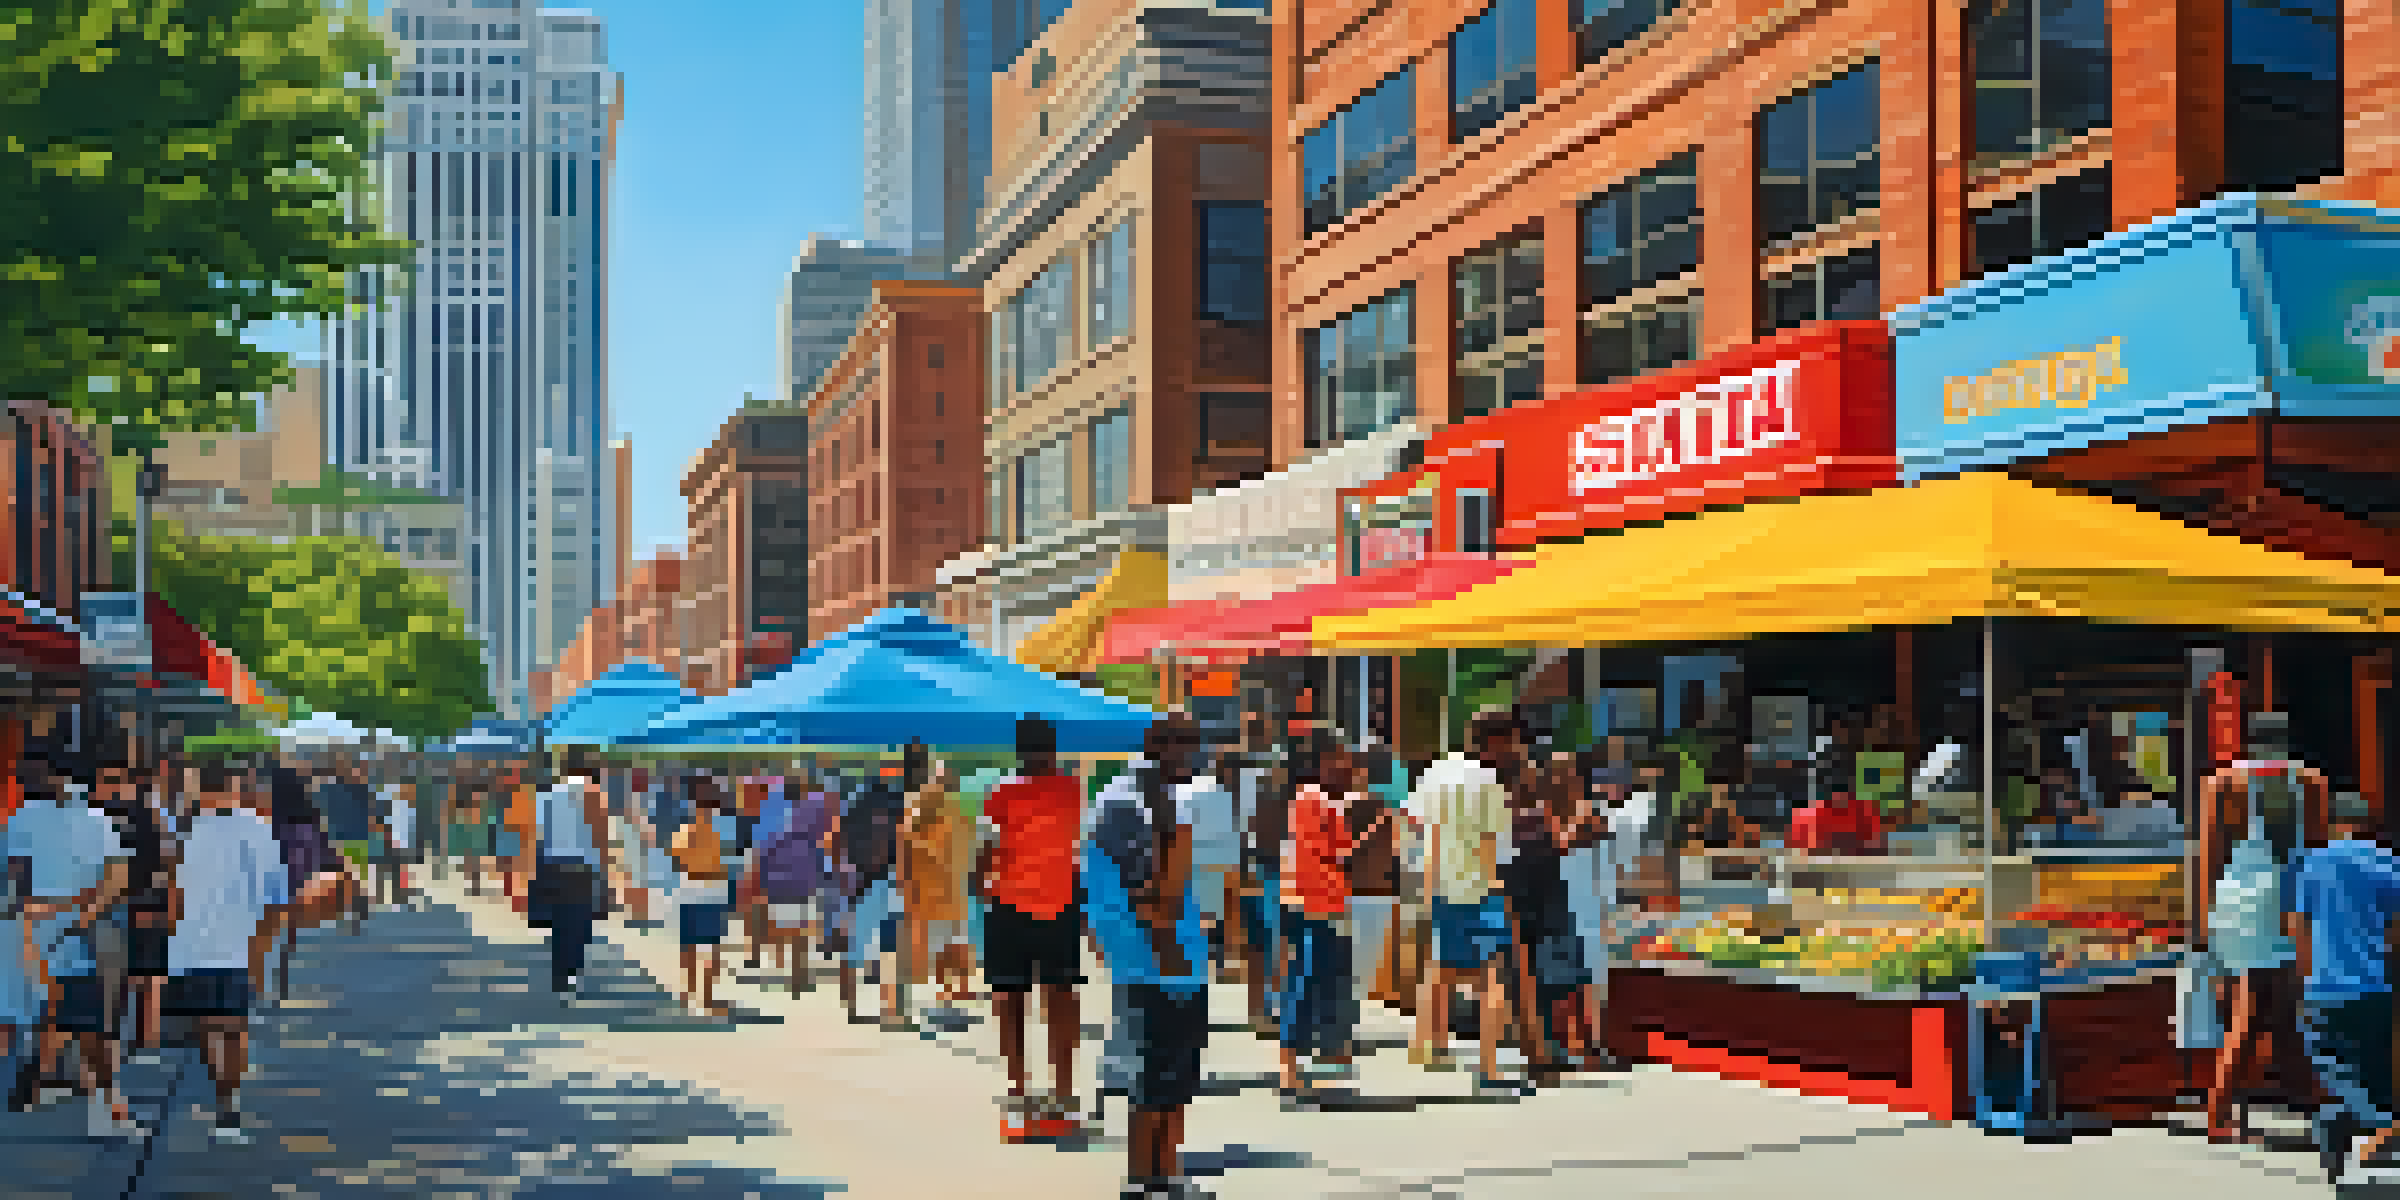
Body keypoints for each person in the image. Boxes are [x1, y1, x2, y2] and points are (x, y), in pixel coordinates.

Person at [1083, 713, 1210, 1197]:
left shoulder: (1155, 799)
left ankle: (1165, 1173)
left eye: (1194, 741)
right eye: (1184, 742)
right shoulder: (1135, 804)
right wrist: (1170, 951)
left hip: (1163, 959)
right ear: (1157, 745)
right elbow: (1152, 898)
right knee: (1156, 1077)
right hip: (1156, 961)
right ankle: (1147, 1178)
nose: (1193, 752)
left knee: (1171, 1078)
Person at [2195, 711, 2325, 1144]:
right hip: (2290, 900)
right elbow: (2317, 850)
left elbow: (2210, 858)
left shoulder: (2223, 785)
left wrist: (2203, 925)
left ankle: (2219, 1111)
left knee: (2248, 1008)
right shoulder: (2310, 783)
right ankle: (2315, 1105)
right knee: (2290, 1005)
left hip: (2242, 904)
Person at [6, 753, 136, 1136]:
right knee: (91, 1017)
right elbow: (118, 876)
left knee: (48, 1006)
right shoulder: (97, 821)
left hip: (39, 931)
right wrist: (88, 909)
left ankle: (40, 1074)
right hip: (81, 934)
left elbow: (14, 879)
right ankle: (101, 1097)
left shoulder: (22, 820)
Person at [167, 761, 292, 1145]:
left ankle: (226, 1099)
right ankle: (227, 1098)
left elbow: (174, 892)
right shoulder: (248, 829)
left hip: (203, 947)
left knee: (211, 1026)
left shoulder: (191, 830)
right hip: (231, 945)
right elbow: (277, 898)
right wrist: (267, 954)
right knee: (229, 1028)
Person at [978, 715, 1088, 1142]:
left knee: (1009, 998)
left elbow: (987, 846)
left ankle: (1018, 1087)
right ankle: (1061, 1092)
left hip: (1009, 905)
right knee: (1061, 997)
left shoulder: (1002, 791)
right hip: (1058, 905)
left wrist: (979, 880)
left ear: (1019, 751)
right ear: (1052, 749)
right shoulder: (1071, 789)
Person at [2286, 788, 2400, 1182]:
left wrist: (2305, 979)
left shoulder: (2314, 864)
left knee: (2332, 1068)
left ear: (2334, 824)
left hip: (2327, 987)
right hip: (2374, 989)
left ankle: (2383, 1126)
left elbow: (2298, 926)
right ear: (2369, 825)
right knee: (2369, 1071)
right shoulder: (2388, 863)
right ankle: (2342, 1160)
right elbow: (2396, 930)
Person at [1412, 710, 1517, 1090]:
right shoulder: (1489, 780)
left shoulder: (1438, 770)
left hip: (1441, 886)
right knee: (1492, 977)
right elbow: (1490, 841)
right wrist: (1497, 887)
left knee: (1440, 968)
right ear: (1495, 741)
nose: (1514, 750)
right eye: (1511, 741)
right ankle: (1488, 1069)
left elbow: (1423, 829)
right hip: (1479, 889)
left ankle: (1428, 1045)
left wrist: (1426, 885)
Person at [1278, 735, 1357, 1100]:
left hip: (1299, 898)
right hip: (1320, 901)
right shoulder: (1324, 802)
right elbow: (1339, 852)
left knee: (1303, 979)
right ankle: (1293, 1068)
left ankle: (1294, 1064)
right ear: (1325, 760)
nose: (1346, 765)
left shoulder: (1302, 799)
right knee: (1311, 982)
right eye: (1340, 758)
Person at [828, 756, 908, 1027]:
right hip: (889, 877)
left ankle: (851, 1004)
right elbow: (905, 840)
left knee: (855, 946)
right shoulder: (898, 802)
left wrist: (843, 869)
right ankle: (892, 1009)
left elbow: (837, 838)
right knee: (890, 948)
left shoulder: (855, 801)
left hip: (860, 879)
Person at [901, 753, 976, 1020]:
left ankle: (952, 994)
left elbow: (907, 844)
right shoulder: (936, 808)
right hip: (943, 890)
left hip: (942, 890)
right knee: (948, 946)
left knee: (949, 946)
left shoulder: (934, 808)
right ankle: (948, 997)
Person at [532, 753, 610, 998]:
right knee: (580, 921)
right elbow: (600, 837)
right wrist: (604, 872)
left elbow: (538, 835)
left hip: (552, 864)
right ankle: (573, 971)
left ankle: (559, 973)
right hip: (583, 868)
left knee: (559, 921)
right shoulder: (594, 795)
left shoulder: (547, 796)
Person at [757, 770, 832, 995]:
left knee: (789, 927)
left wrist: (763, 878)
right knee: (798, 930)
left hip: (782, 876)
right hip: (802, 875)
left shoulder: (776, 811)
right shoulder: (806, 812)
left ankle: (787, 967)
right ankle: (797, 975)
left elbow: (766, 848)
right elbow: (819, 846)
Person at [670, 779, 734, 1016]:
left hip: (690, 891)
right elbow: (726, 864)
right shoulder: (723, 829)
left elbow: (678, 860)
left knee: (689, 948)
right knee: (711, 950)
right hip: (713, 892)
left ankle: (688, 996)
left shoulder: (684, 830)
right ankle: (706, 999)